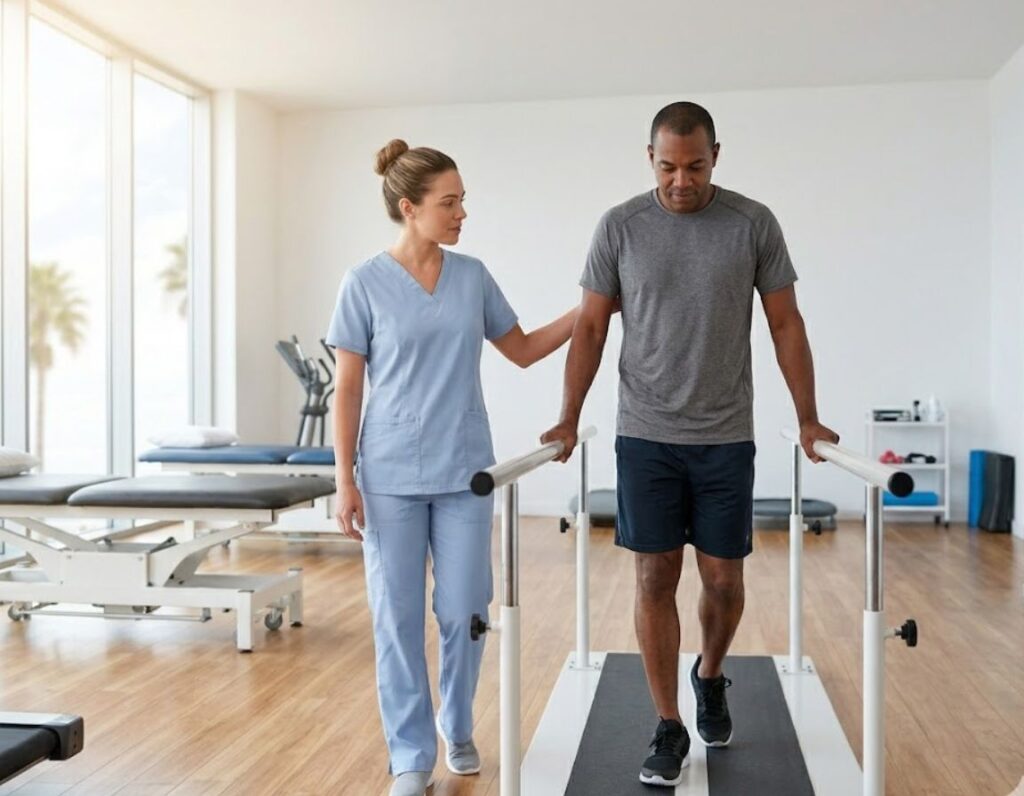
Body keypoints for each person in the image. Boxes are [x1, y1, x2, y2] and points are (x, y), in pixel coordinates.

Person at [541, 102, 839, 787]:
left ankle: (710, 674)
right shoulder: (619, 226)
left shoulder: (751, 223)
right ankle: (669, 723)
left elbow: (786, 323)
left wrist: (811, 417)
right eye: (669, 166)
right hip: (644, 433)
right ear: (649, 157)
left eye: (696, 166)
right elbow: (589, 329)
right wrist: (566, 417)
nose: (682, 180)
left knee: (725, 579)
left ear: (716, 156)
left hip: (725, 436)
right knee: (652, 577)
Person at [327, 140, 579, 796]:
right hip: (388, 479)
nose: (462, 212)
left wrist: (590, 310)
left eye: (462, 199)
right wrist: (344, 479)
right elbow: (347, 388)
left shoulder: (472, 277)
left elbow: (520, 350)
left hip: (467, 472)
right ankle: (410, 758)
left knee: (467, 609)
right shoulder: (362, 283)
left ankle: (456, 721)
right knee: (397, 618)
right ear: (410, 208)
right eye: (450, 202)